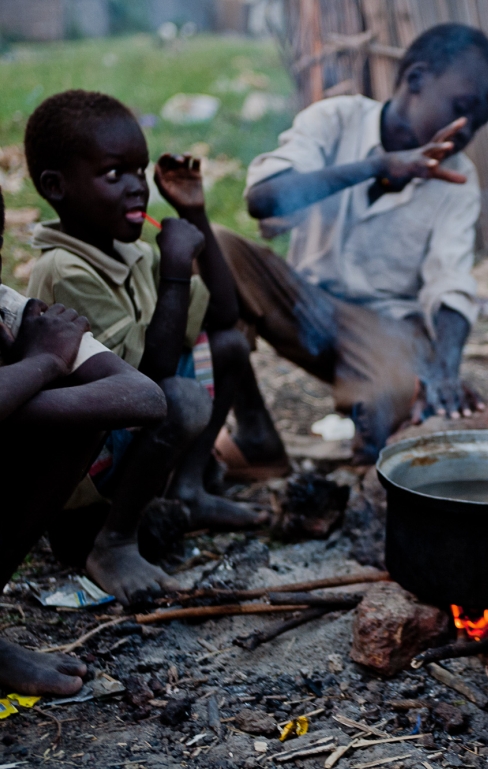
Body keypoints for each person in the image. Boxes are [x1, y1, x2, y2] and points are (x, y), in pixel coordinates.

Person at [212, 23, 488, 469]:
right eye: (460, 109)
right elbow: (262, 198)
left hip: (383, 330)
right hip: (300, 304)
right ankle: (254, 431)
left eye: (478, 123)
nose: (465, 132)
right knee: (213, 248)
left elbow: (450, 281)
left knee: (394, 405)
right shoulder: (336, 120)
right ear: (416, 80)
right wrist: (377, 166)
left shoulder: (458, 182)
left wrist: (444, 369)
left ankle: (361, 468)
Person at [24, 90, 262, 605]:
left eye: (140, 170)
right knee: (179, 396)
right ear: (56, 187)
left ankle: (189, 490)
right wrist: (174, 268)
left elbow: (223, 315)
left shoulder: (128, 253)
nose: (137, 188)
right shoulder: (64, 270)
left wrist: (195, 217)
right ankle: (112, 542)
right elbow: (146, 385)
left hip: (131, 430)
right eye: (115, 175)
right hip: (83, 464)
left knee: (229, 347)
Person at [0, 188, 168, 695]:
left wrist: (16, 400)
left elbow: (144, 397)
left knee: (78, 415)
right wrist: (41, 365)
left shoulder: (9, 310)